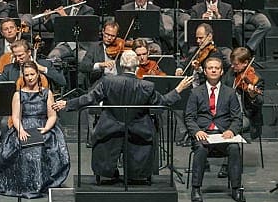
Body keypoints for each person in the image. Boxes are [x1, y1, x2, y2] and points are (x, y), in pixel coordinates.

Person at [56, 50, 193, 184]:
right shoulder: (147, 86)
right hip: (139, 130)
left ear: (121, 64)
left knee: (100, 137)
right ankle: (137, 174)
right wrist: (178, 89)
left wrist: (67, 103)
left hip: (110, 129)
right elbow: (162, 102)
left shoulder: (107, 82)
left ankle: (107, 173)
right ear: (137, 65)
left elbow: (89, 98)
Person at [184, 55, 244, 202]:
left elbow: (237, 118)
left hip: (223, 135)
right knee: (200, 148)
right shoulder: (195, 92)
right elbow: (189, 117)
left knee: (234, 148)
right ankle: (196, 189)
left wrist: (231, 131)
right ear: (205, 71)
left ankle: (236, 189)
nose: (213, 70)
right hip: (204, 134)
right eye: (210, 68)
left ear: (221, 71)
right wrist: (197, 131)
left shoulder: (230, 93)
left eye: (216, 68)